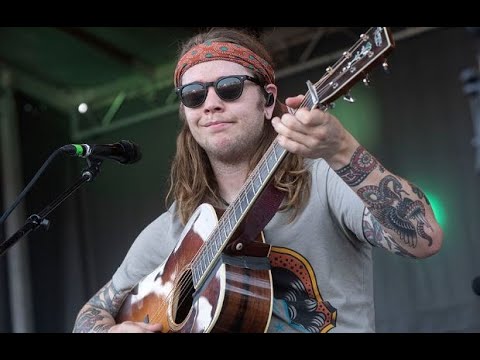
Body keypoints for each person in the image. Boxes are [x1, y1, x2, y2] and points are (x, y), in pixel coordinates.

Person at [72, 27, 443, 333]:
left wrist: (343, 150)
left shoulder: (326, 178)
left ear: (268, 100)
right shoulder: (176, 230)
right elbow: (90, 314)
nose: (211, 104)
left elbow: (424, 238)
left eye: (229, 88)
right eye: (193, 95)